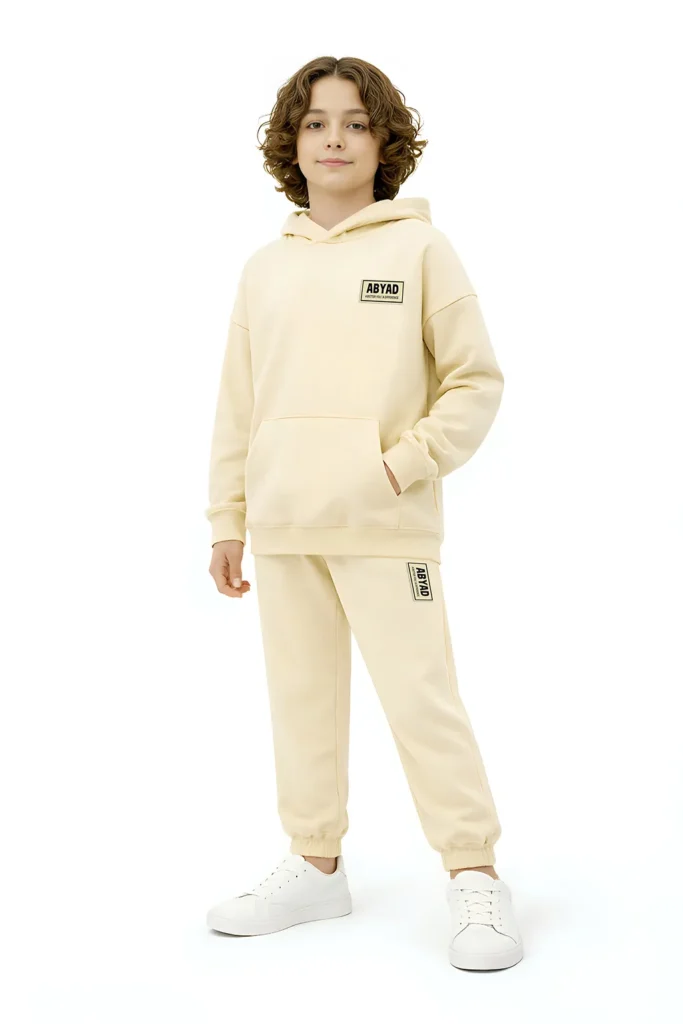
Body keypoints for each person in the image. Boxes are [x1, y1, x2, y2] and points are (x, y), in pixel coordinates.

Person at [204, 55, 523, 971]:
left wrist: (400, 466)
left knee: (421, 699)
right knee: (300, 700)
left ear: (385, 143)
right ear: (291, 142)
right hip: (285, 523)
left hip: (386, 524)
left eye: (354, 122)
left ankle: (473, 873)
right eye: (314, 123)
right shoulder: (265, 269)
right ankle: (315, 864)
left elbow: (474, 381)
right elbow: (238, 403)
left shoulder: (419, 250)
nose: (333, 138)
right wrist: (228, 518)